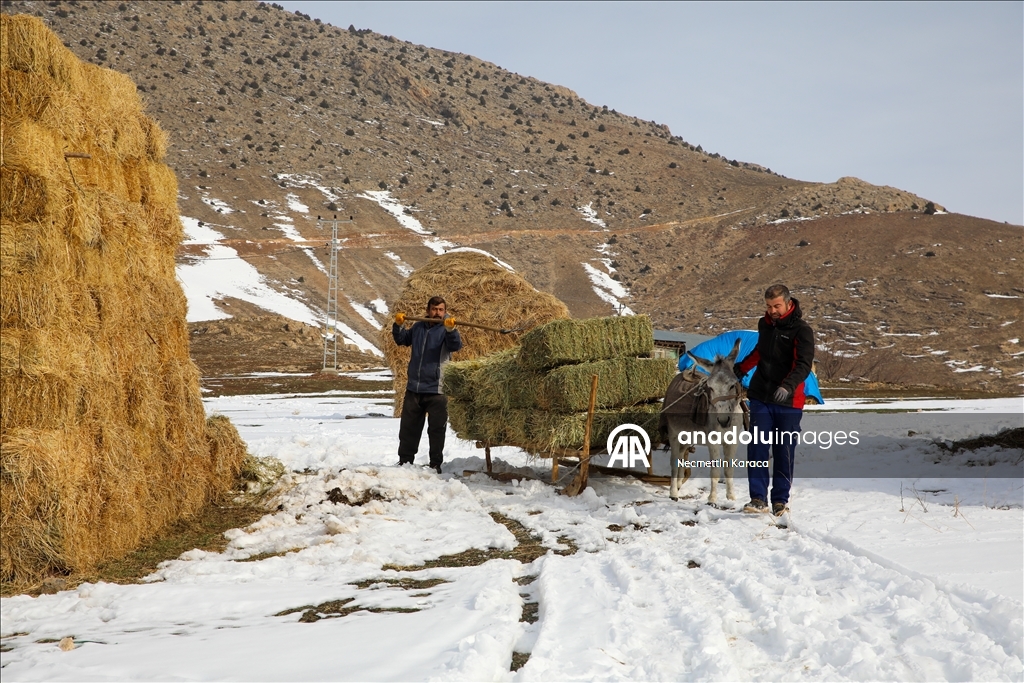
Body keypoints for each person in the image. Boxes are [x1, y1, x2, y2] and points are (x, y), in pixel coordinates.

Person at [733, 284, 814, 516]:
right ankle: (757, 498)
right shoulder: (765, 324)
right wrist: (742, 368)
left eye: (776, 306)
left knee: (783, 450)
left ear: (788, 303)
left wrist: (787, 386)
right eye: (769, 307)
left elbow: (803, 365)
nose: (772, 311)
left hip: (789, 401)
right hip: (761, 396)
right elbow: (761, 350)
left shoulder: (802, 331)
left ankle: (780, 500)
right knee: (757, 447)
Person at [392, 296, 462, 473]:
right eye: (433, 309)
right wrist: (398, 325)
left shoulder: (447, 329)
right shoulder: (418, 327)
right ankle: (405, 462)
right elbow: (401, 339)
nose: (436, 313)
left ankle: (435, 464)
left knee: (437, 430)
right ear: (428, 310)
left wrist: (451, 330)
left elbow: (455, 346)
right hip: (414, 388)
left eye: (440, 310)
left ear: (444, 311)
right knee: (408, 429)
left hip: (437, 389)